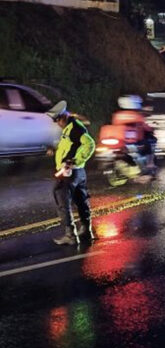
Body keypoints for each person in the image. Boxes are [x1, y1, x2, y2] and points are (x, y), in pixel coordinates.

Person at [46, 101, 96, 245]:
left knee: (63, 202)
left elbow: (90, 144)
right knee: (81, 201)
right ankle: (86, 230)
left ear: (63, 117)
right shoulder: (70, 128)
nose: (57, 124)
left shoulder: (74, 128)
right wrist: (55, 151)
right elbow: (71, 146)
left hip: (69, 173)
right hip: (77, 172)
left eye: (57, 120)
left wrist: (74, 161)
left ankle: (71, 235)